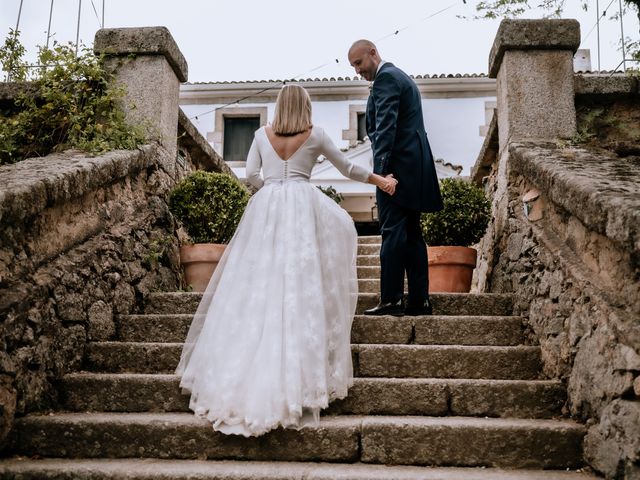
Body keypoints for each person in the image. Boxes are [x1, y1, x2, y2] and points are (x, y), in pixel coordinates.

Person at [175, 84, 398, 437]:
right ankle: (299, 382)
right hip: (302, 207)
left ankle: (242, 378)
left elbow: (250, 176)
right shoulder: (316, 135)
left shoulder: (261, 134)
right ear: (305, 107)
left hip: (267, 208)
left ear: (279, 106)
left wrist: (272, 187)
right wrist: (380, 181)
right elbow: (347, 169)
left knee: (256, 285)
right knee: (299, 285)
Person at [348, 39, 443, 317]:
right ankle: (418, 300)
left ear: (373, 53)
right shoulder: (401, 77)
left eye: (359, 63)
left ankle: (391, 299)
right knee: (412, 234)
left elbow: (385, 129)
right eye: (353, 66)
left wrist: (381, 172)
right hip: (415, 169)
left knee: (391, 233)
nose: (357, 70)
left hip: (397, 171)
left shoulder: (386, 79)